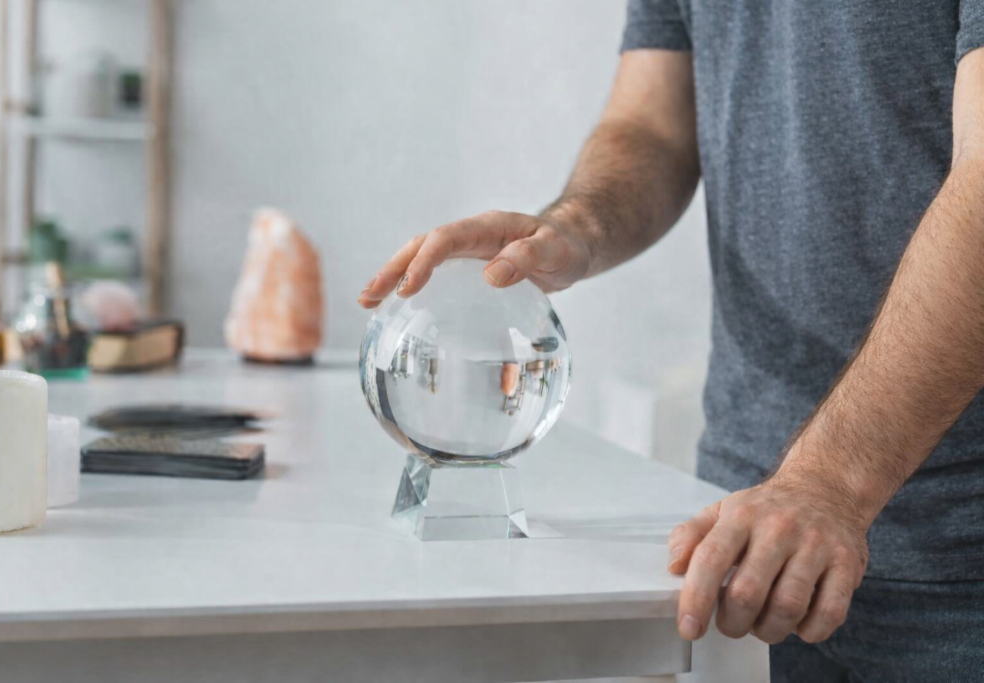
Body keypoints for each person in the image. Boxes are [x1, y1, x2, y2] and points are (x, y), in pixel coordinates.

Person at [358, 2, 984, 680]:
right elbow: (651, 125)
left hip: (956, 558)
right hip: (742, 534)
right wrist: (571, 229)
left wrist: (828, 484)